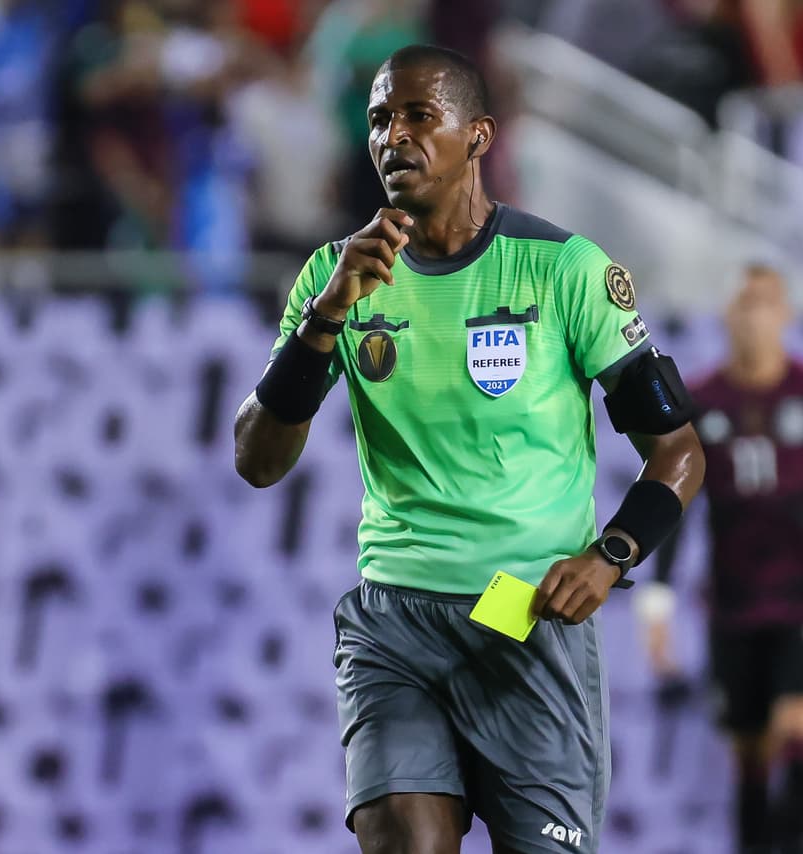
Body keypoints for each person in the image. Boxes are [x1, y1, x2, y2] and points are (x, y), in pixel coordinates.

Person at [234, 44, 705, 854]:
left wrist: (612, 555)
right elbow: (257, 460)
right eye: (381, 118)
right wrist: (326, 317)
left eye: (421, 116)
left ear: (479, 136)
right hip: (395, 624)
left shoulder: (565, 270)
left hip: (524, 619)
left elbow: (680, 451)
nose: (394, 136)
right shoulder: (333, 275)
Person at [637, 265, 803, 854]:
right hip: (733, 605)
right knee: (750, 754)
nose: (753, 317)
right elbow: (677, 499)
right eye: (742, 305)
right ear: (725, 315)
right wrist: (657, 601)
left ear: (786, 314)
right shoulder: (701, 404)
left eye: (764, 304)